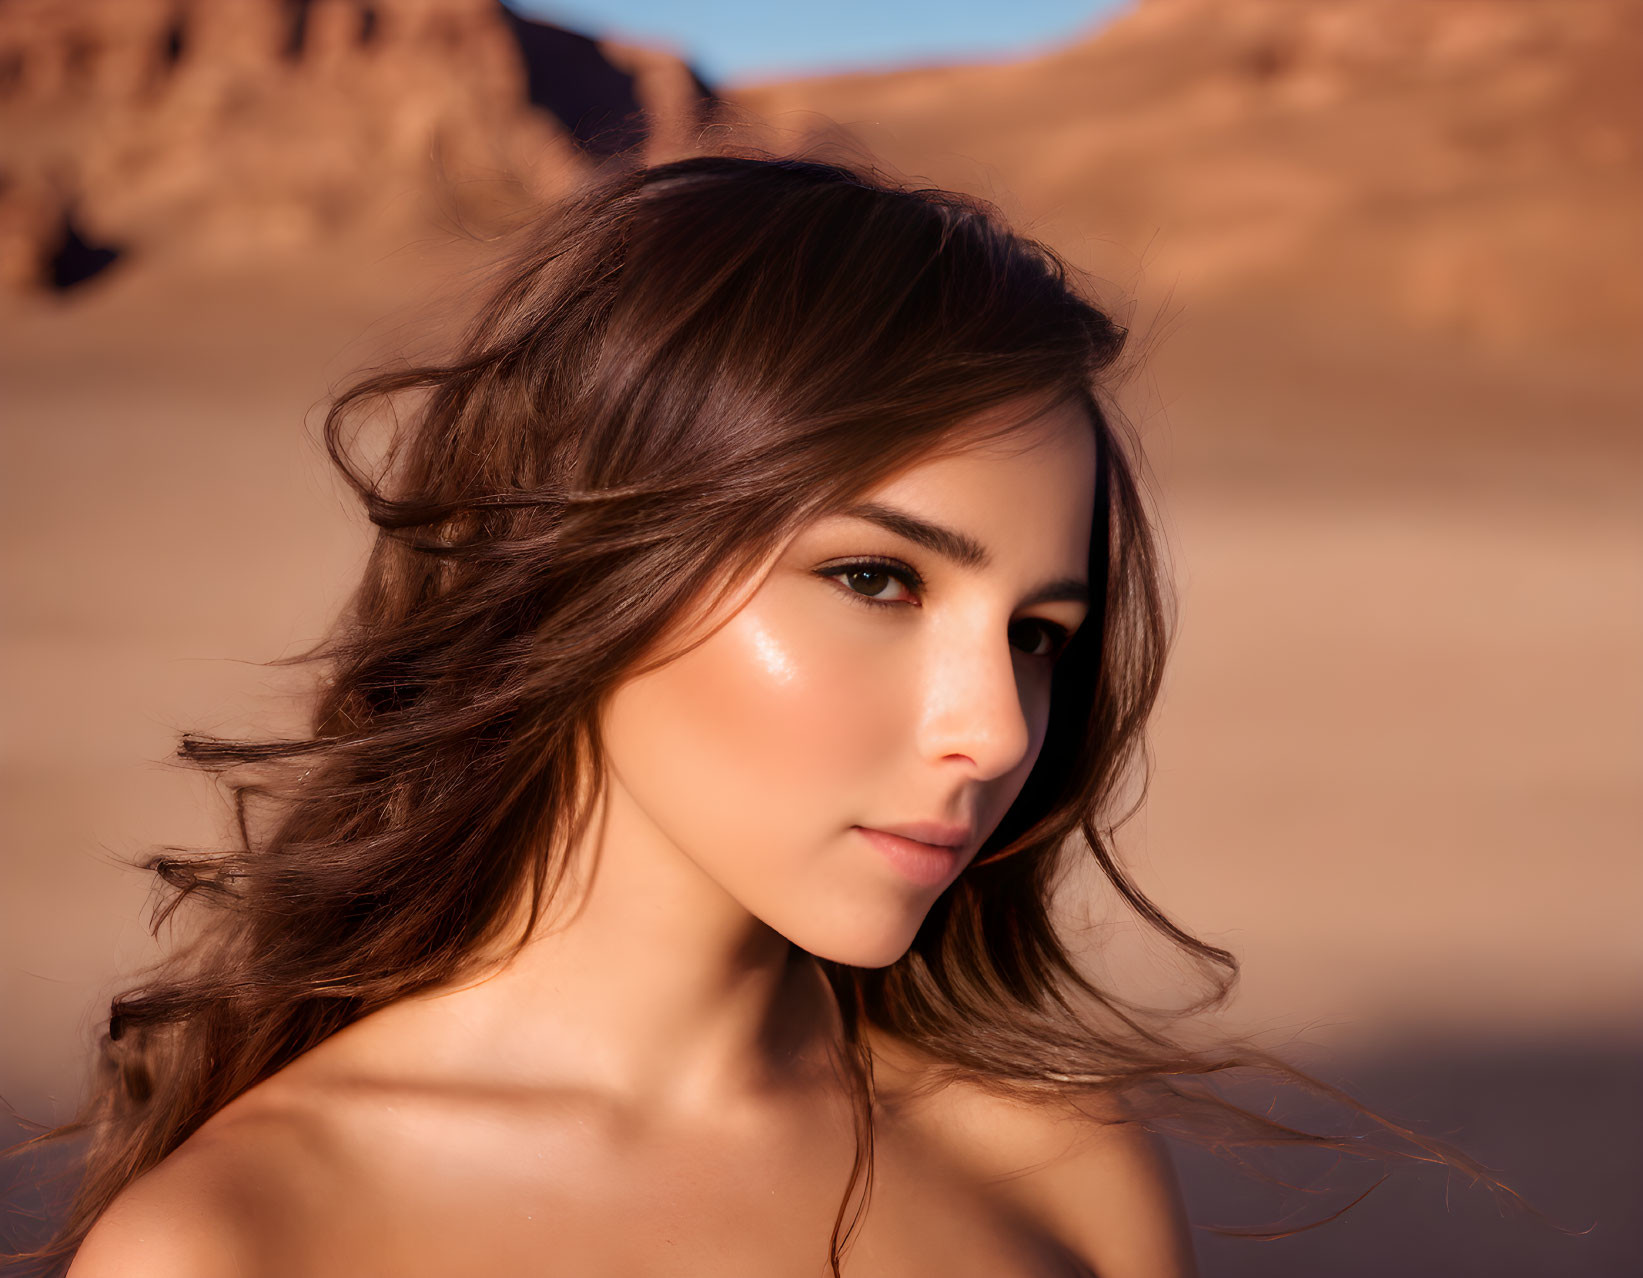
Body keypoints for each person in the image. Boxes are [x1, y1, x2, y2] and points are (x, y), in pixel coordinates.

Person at [14, 150, 1515, 1278]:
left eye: (1043, 635)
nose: (997, 730)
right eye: (875, 577)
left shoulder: (1058, 1172)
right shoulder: (242, 1245)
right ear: (593, 555)